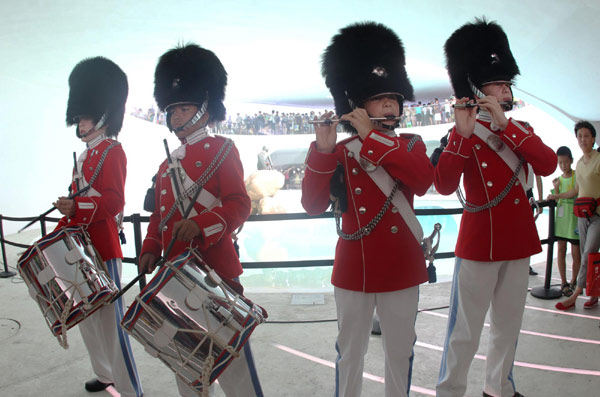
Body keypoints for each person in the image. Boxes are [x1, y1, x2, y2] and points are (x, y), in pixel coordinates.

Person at [302, 22, 433, 397]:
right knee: (350, 353)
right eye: (379, 98)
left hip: (401, 265)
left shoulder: (410, 144)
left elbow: (423, 181)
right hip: (353, 267)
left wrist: (372, 139)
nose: (390, 103)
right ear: (359, 105)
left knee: (400, 351)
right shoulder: (341, 152)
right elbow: (312, 205)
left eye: (394, 96)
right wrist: (324, 151)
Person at [434, 19, 557, 397]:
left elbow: (548, 164)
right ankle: (451, 390)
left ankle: (498, 388)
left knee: (508, 326)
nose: (506, 88)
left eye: (507, 83)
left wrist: (506, 126)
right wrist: (462, 134)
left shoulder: (519, 128)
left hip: (518, 242)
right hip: (480, 244)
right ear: (476, 87)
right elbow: (443, 184)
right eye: (498, 83)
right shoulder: (462, 130)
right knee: (465, 331)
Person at [138, 43, 262, 397]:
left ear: (205, 108)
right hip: (175, 271)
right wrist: (150, 246)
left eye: (185, 106)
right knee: (184, 359)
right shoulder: (165, 165)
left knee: (234, 361)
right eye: (173, 108)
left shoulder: (224, 149)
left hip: (215, 269)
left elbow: (239, 204)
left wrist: (203, 224)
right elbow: (161, 216)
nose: (177, 115)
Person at [53, 57, 143, 397]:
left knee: (110, 324)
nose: (80, 123)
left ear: (103, 115)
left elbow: (114, 202)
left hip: (103, 247)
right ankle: (104, 374)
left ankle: (130, 388)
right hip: (80, 248)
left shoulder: (113, 152)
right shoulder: (84, 157)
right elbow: (78, 203)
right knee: (88, 322)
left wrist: (78, 206)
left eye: (85, 116)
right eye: (78, 117)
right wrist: (65, 219)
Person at [551, 121, 600, 311]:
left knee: (587, 254)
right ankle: (594, 294)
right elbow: (576, 191)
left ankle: (575, 294)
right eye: (579, 136)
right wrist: (556, 195)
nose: (582, 140)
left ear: (593, 138)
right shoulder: (579, 163)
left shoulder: (598, 159)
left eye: (586, 136)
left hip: (597, 215)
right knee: (590, 256)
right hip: (582, 215)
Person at [548, 146, 580, 296]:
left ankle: (574, 281)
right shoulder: (558, 180)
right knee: (561, 250)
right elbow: (555, 197)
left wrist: (557, 195)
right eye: (560, 163)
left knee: (575, 253)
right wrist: (555, 189)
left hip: (574, 220)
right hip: (561, 222)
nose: (563, 166)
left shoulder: (576, 176)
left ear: (571, 161)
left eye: (565, 162)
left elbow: (574, 192)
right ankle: (563, 282)